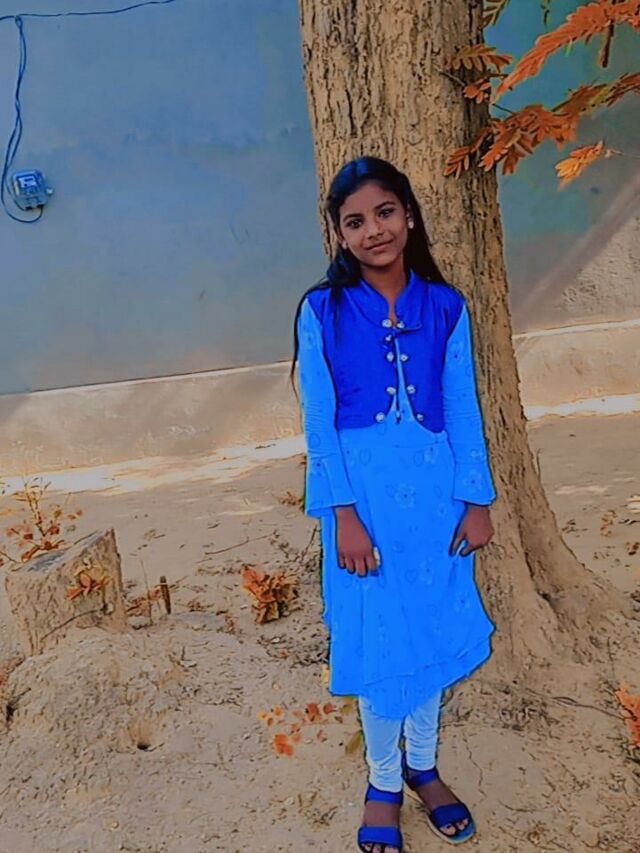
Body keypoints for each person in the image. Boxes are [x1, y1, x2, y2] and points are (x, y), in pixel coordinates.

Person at [290, 156, 497, 852]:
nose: (373, 230)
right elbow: (319, 425)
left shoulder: (446, 306)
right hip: (365, 503)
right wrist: (343, 515)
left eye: (385, 212)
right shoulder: (322, 311)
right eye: (355, 221)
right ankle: (383, 781)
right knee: (380, 637)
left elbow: (463, 407)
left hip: (436, 501)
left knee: (429, 628)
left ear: (408, 215)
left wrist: (475, 499)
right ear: (339, 234)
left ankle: (423, 766)